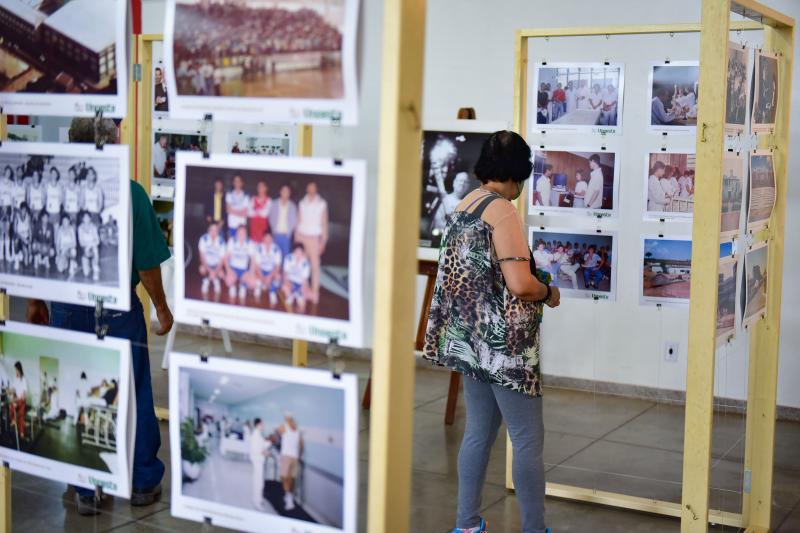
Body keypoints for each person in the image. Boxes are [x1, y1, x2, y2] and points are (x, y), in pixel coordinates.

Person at [27, 117, 173, 515]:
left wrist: (36, 300)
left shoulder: (55, 192)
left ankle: (85, 488)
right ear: (111, 144)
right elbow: (147, 264)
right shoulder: (130, 193)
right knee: (137, 386)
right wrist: (161, 306)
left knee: (74, 386)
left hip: (66, 305)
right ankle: (143, 479)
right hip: (118, 307)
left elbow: (41, 253)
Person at [423, 131, 559, 533]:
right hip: (505, 347)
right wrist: (548, 292)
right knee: (528, 438)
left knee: (478, 431)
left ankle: (466, 525)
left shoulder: (465, 205)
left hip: (470, 340)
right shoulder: (501, 211)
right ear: (517, 173)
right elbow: (519, 284)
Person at [295, 182, 329, 304]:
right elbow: (298, 221)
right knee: (301, 266)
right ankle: (302, 290)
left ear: (316, 188)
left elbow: (324, 223)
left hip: (315, 239)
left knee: (315, 267)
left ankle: (315, 292)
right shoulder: (302, 203)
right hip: (302, 238)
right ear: (307, 188)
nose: (311, 189)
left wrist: (323, 242)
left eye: (313, 187)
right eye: (309, 187)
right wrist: (296, 239)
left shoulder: (322, 204)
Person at [278, 413, 303, 511]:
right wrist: (299, 457)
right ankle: (289, 497)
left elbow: (276, 436)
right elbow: (301, 446)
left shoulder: (283, 427)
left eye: (286, 418)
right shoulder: (297, 429)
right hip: (295, 457)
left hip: (286, 456)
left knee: (284, 478)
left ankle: (289, 500)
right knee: (291, 479)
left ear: (286, 419)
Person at [225, 225, 254, 301]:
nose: (241, 235)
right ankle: (233, 286)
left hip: (244, 270)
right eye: (239, 233)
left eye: (243, 233)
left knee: (252, 283)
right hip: (233, 268)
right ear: (236, 233)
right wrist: (228, 270)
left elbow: (253, 260)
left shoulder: (250, 243)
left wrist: (251, 272)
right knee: (228, 281)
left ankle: (243, 285)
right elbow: (225, 258)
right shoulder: (232, 241)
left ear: (246, 234)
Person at [269, 185, 297, 260]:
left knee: (286, 257)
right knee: (275, 257)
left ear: (289, 193)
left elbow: (294, 221)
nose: (285, 193)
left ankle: (284, 272)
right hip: (276, 235)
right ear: (280, 192)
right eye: (283, 191)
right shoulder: (274, 204)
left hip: (286, 236)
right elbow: (271, 218)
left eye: (287, 191)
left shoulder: (292, 206)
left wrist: (289, 232)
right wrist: (273, 231)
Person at [254, 232, 282, 305]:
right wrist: (262, 278)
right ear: (263, 239)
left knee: (278, 277)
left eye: (269, 238)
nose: (267, 241)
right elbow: (257, 266)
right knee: (255, 273)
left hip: (271, 271)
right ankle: (260, 285)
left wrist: (270, 277)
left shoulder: (276, 249)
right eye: (266, 238)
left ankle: (272, 292)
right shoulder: (259, 248)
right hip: (261, 270)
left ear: (272, 239)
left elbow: (277, 266)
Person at [198, 221, 226, 296]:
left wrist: (215, 271)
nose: (213, 232)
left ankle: (216, 280)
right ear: (208, 230)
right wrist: (210, 270)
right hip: (207, 264)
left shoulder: (221, 241)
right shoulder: (203, 239)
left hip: (216, 265)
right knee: (202, 269)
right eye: (211, 230)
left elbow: (222, 260)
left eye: (216, 230)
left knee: (221, 273)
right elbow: (202, 257)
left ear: (218, 231)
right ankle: (206, 280)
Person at [282, 243, 311, 313]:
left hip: (300, 284)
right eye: (296, 252)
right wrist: (287, 282)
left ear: (303, 253)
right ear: (293, 252)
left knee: (302, 306)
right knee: (284, 287)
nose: (298, 255)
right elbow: (285, 273)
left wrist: (303, 289)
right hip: (290, 281)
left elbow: (305, 280)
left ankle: (296, 295)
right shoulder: (288, 258)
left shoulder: (306, 263)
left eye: (300, 252)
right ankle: (290, 296)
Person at [77, 211, 101, 281]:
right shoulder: (80, 228)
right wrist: (87, 247)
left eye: (88, 217)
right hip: (84, 248)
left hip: (92, 247)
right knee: (86, 273)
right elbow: (81, 242)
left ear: (90, 218)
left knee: (95, 250)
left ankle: (95, 269)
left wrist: (90, 245)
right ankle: (87, 264)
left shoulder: (93, 227)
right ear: (82, 218)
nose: (86, 219)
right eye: (85, 217)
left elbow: (97, 240)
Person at [11, 362, 28, 441]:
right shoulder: (15, 379)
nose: (16, 371)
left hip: (22, 399)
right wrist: (10, 391)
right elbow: (14, 389)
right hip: (17, 399)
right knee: (11, 404)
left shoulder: (23, 379)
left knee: (21, 416)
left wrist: (22, 396)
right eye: (15, 370)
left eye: (16, 369)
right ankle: (14, 419)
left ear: (19, 369)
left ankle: (21, 433)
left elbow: (24, 390)